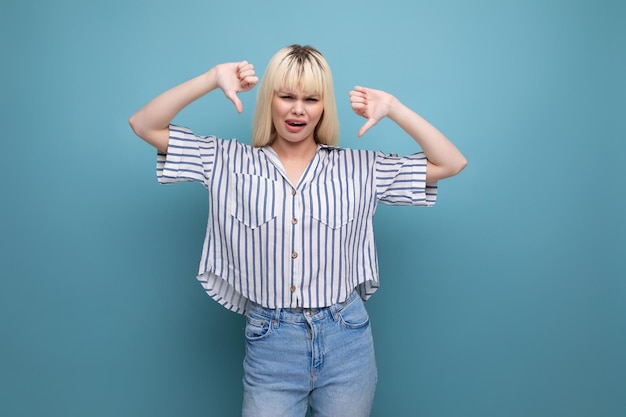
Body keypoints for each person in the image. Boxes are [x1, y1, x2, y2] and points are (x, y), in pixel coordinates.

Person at [129, 44, 466, 417]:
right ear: (269, 100)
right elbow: (144, 124)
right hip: (270, 342)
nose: (298, 109)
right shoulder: (226, 160)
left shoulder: (360, 168)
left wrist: (394, 108)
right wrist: (211, 78)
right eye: (286, 96)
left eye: (311, 98)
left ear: (324, 107)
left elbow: (451, 162)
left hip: (347, 340)